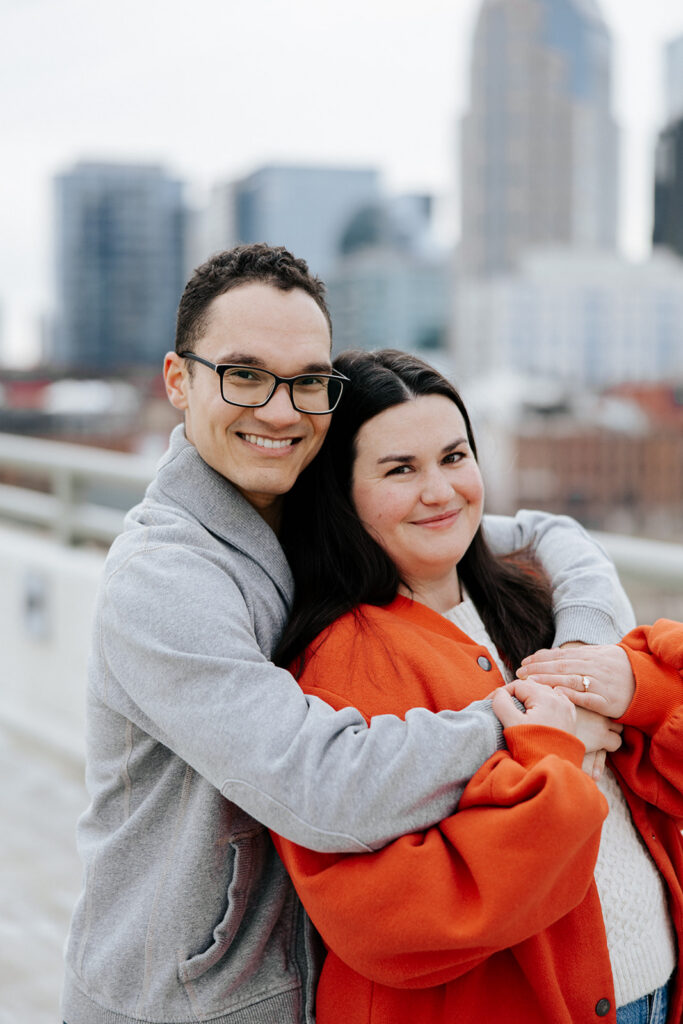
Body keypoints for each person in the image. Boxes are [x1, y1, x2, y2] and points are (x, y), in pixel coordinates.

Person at [61, 246, 635, 1024]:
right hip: (184, 1001)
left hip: (296, 989)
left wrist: (577, 661)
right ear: (178, 380)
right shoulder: (164, 577)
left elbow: (543, 534)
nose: (280, 411)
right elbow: (320, 783)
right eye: (244, 375)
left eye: (306, 381)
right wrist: (530, 723)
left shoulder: (306, 510)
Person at [270, 348, 681, 1024]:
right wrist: (548, 757)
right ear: (338, 495)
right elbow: (381, 917)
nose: (440, 491)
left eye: (454, 457)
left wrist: (640, 689)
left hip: (656, 994)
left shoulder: (539, 601)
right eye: (400, 469)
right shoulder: (339, 661)